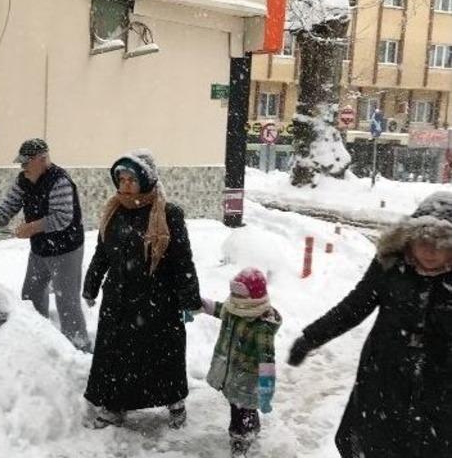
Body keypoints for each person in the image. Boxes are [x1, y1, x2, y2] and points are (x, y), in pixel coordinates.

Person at [288, 191, 452, 457]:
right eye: (424, 241)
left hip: (440, 390)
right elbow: (355, 306)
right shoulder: (390, 265)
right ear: (409, 238)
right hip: (384, 379)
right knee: (371, 444)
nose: (431, 251)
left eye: (441, 243)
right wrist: (311, 338)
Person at [82, 149, 201, 429]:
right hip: (119, 299)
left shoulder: (168, 214)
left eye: (130, 180)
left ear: (146, 181)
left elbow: (182, 259)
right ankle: (115, 404)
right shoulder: (114, 211)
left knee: (162, 353)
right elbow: (102, 252)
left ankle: (174, 401)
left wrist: (189, 297)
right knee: (117, 355)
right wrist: (91, 284)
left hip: (157, 300)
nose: (124, 185)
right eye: (120, 179)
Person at [0, 138, 91, 351]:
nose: (22, 167)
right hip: (40, 249)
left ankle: (79, 349)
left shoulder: (59, 181)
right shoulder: (24, 180)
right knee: (31, 296)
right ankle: (39, 341)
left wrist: (31, 228)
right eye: (21, 163)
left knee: (67, 303)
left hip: (66, 250)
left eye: (26, 162)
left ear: (42, 159)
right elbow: (9, 205)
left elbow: (63, 218)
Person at [200, 268, 281, 457]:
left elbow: (267, 362)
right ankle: (251, 428)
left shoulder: (261, 327)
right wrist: (202, 305)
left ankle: (240, 440)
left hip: (248, 382)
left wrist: (266, 392)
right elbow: (220, 309)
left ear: (252, 298)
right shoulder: (235, 311)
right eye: (233, 293)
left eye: (238, 294)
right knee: (239, 407)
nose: (233, 297)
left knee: (240, 413)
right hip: (232, 377)